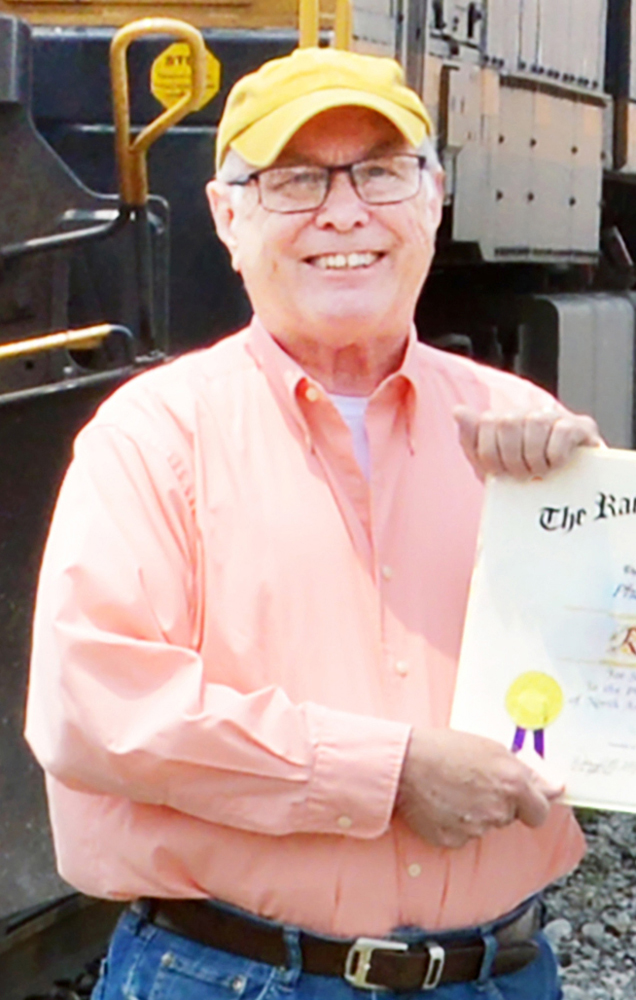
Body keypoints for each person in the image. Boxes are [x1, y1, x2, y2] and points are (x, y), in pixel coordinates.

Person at [25, 45, 601, 1000]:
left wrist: (587, 524)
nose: (345, 212)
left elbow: (605, 691)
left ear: (434, 198)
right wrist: (390, 773)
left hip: (501, 976)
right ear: (228, 217)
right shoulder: (153, 438)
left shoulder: (527, 439)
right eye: (294, 180)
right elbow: (95, 708)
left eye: (380, 171)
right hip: (233, 978)